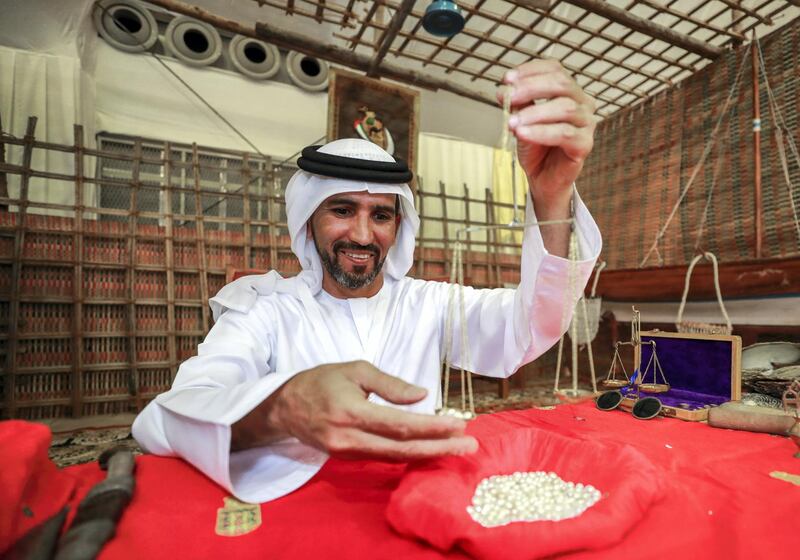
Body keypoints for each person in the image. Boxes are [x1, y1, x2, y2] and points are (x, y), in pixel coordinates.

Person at [132, 60, 602, 503]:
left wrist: (551, 192)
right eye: (342, 210)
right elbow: (166, 418)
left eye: (380, 215)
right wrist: (282, 409)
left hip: (418, 500)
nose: (362, 234)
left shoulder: (428, 303)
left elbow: (533, 322)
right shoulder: (265, 308)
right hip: (305, 507)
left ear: (399, 227)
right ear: (308, 221)